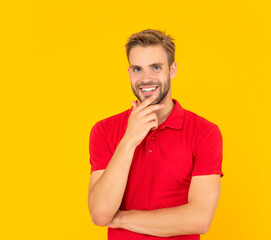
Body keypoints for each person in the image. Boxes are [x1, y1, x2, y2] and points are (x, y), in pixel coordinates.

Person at [88, 29, 224, 240]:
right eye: (137, 69)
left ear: (172, 69)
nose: (146, 78)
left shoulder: (204, 132)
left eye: (156, 67)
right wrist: (129, 139)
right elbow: (100, 212)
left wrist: (120, 219)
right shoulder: (104, 130)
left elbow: (199, 219)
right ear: (129, 73)